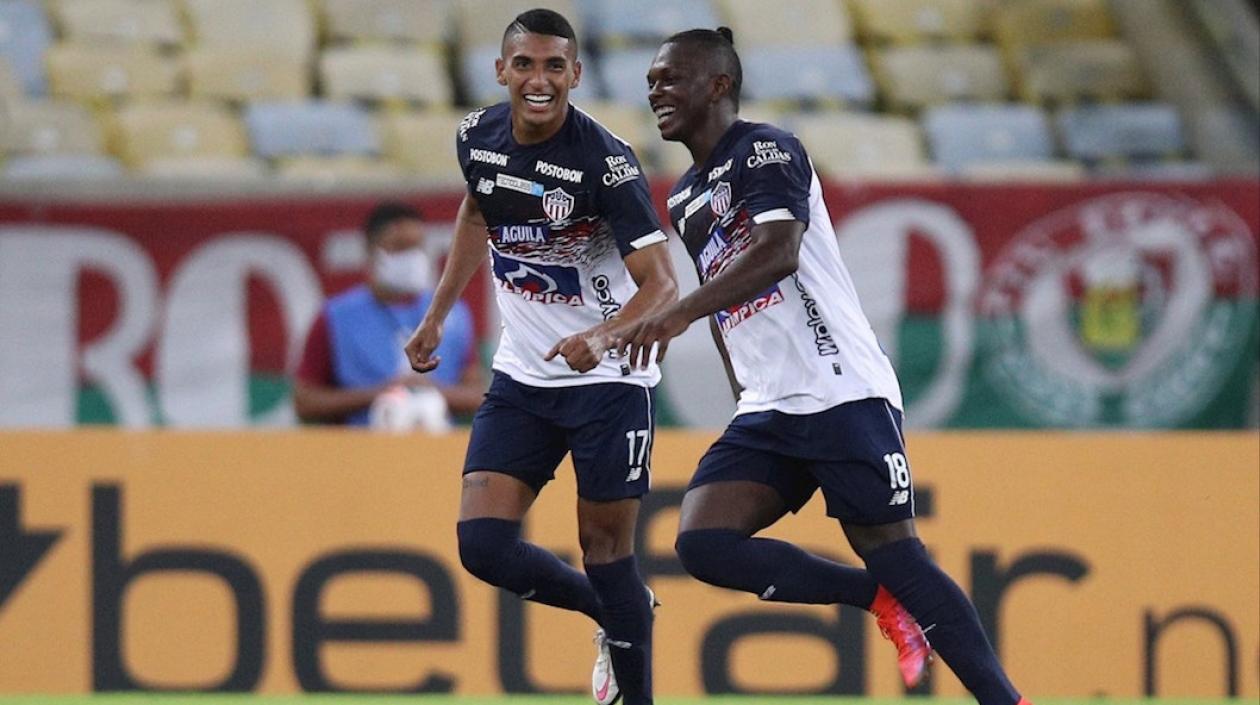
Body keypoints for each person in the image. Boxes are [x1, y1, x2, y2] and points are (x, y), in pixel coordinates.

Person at [616, 28, 1034, 705]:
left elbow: (779, 252)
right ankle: (876, 600)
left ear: (719, 84)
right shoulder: (686, 195)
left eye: (672, 77)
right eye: (652, 79)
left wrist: (677, 313)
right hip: (769, 407)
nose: (655, 89)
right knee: (703, 543)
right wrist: (742, 392)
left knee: (899, 552)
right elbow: (727, 304)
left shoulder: (766, 148)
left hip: (839, 388)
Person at [403, 9, 677, 705]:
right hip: (524, 372)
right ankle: (617, 613)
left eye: (555, 66)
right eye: (524, 64)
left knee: (607, 551)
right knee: (483, 545)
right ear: (500, 71)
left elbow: (664, 284)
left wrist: (604, 335)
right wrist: (438, 314)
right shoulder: (477, 138)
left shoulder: (606, 162)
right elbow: (477, 212)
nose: (538, 79)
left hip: (610, 378)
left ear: (575, 76)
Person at [293, 201, 484, 429]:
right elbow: (304, 401)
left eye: (417, 248)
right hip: (361, 448)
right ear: (371, 250)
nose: (411, 258)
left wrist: (432, 393)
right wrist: (380, 394)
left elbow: (477, 395)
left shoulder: (453, 314)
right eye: (400, 247)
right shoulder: (335, 318)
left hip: (435, 446)